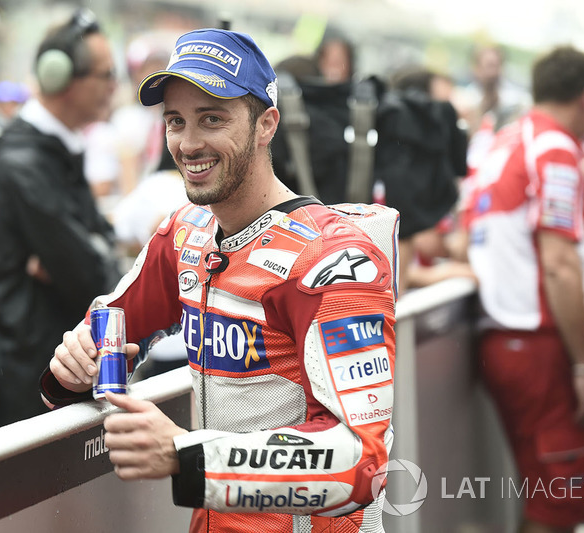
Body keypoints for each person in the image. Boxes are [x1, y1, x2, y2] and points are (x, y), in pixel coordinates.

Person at [41, 28, 398, 532]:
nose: (188, 144)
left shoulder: (334, 262)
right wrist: (74, 367)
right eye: (175, 121)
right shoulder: (185, 232)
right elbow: (106, 331)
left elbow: (363, 464)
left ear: (266, 124)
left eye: (212, 119)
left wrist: (188, 455)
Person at [467, 46, 584, 532]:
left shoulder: (506, 141)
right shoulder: (555, 147)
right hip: (541, 345)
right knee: (559, 508)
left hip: (503, 339)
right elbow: (560, 265)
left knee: (544, 499)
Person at [0, 9, 121, 436]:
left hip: (41, 370)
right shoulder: (24, 164)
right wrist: (95, 253)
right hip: (19, 386)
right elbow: (91, 274)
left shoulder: (53, 152)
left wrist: (94, 250)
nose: (114, 86)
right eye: (106, 74)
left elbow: (99, 253)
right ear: (61, 78)